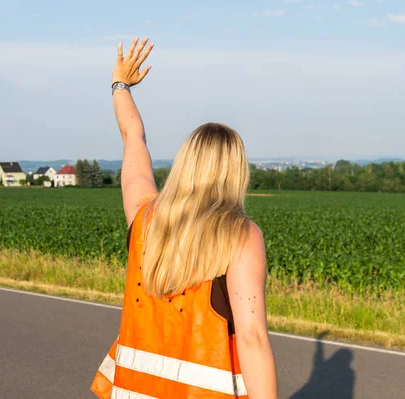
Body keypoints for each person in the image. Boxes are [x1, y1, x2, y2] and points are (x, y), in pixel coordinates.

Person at [91, 37, 278, 399]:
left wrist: (120, 85)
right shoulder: (240, 237)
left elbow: (134, 139)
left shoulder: (144, 218)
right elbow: (252, 338)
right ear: (236, 172)